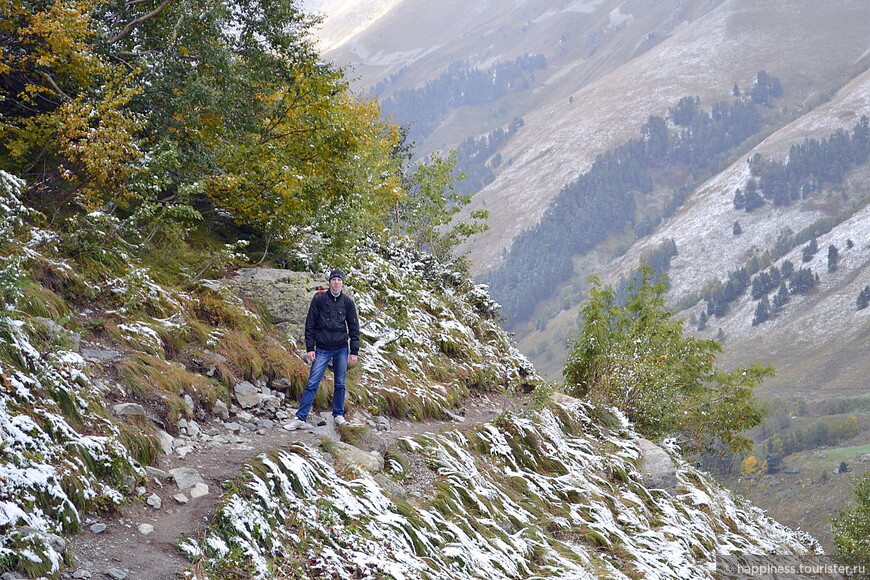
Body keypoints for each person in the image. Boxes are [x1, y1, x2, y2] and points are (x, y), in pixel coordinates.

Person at [285, 268, 359, 430]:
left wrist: (354, 351)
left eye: (339, 280)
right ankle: (300, 418)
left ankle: (338, 415)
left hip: (341, 348)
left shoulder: (347, 302)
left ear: (342, 283)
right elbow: (310, 324)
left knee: (340, 383)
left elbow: (354, 327)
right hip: (322, 349)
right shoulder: (319, 299)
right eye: (334, 279)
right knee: (312, 383)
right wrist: (310, 348)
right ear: (329, 282)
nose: (336, 282)